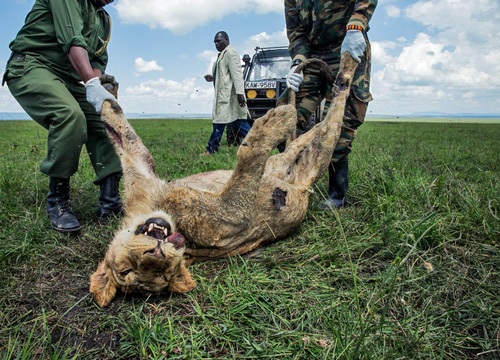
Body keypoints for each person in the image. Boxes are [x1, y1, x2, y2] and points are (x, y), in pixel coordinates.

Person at [2, 0, 123, 233]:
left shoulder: (103, 20)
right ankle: (58, 201)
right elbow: (72, 40)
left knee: (107, 122)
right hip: (32, 65)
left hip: (67, 78)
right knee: (69, 115)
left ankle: (110, 203)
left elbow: (97, 59)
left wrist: (96, 87)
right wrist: (91, 82)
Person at [283, 0, 377, 209]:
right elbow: (297, 33)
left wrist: (356, 26)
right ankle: (295, 183)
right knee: (285, 115)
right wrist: (297, 62)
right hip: (314, 55)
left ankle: (337, 195)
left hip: (347, 47)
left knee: (340, 120)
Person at [200, 31, 251, 156]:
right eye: (215, 42)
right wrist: (213, 77)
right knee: (239, 122)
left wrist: (240, 94)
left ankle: (211, 149)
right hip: (225, 96)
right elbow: (225, 75)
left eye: (219, 41)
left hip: (230, 97)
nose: (216, 44)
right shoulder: (222, 55)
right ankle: (258, 142)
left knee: (220, 122)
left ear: (227, 40)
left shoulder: (231, 53)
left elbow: (237, 75)